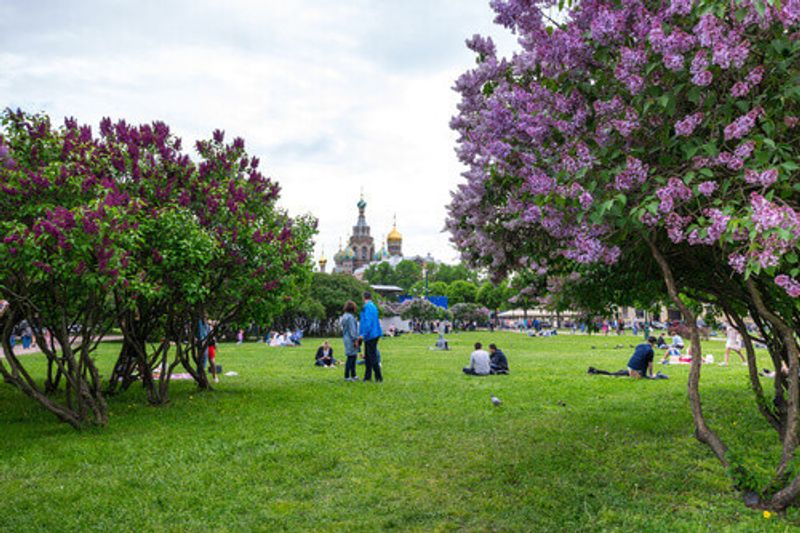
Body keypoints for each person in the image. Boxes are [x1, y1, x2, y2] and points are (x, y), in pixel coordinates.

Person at [588, 337, 664, 379]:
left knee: (618, 373)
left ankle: (596, 371)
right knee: (614, 375)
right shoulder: (650, 351)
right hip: (636, 370)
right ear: (654, 343)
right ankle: (596, 371)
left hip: (630, 366)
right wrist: (651, 374)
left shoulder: (640, 345)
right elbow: (650, 365)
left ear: (647, 341)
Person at [359, 291, 383, 382]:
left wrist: (363, 335)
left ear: (363, 297)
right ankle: (367, 377)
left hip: (370, 335)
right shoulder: (373, 306)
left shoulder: (367, 307)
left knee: (372, 357)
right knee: (368, 357)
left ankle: (378, 377)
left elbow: (367, 322)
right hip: (374, 333)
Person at [340, 300, 360, 381]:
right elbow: (352, 330)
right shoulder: (350, 318)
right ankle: (347, 376)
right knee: (351, 358)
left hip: (346, 338)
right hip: (351, 339)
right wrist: (355, 340)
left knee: (353, 357)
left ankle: (353, 375)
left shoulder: (344, 316)